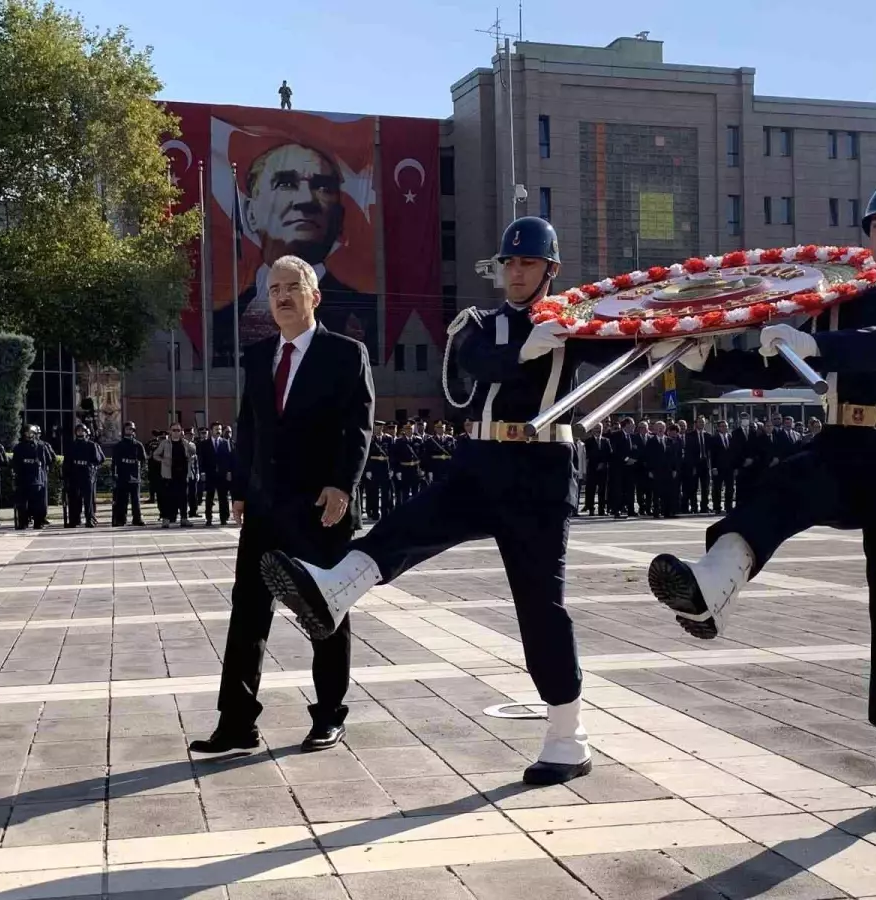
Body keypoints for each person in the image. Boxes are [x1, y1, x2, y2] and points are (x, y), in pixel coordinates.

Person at [260, 217, 665, 786]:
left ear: (550, 270)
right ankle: (334, 589)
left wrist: (675, 335)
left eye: (527, 264)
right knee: (406, 524)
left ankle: (567, 736)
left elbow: (636, 346)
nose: (516, 273)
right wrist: (527, 346)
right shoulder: (478, 323)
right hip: (479, 463)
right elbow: (474, 368)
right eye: (509, 263)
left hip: (541, 474)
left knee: (540, 607)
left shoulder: (575, 323)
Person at [646, 178, 876, 826]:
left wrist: (819, 344)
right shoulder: (839, 302)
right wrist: (706, 358)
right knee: (783, 484)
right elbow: (775, 366)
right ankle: (713, 585)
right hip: (845, 443)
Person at [189, 253, 373, 756]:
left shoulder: (346, 353)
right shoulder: (259, 355)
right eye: (273, 290)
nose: (283, 296)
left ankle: (329, 715)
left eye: (292, 287)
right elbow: (249, 426)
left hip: (320, 508)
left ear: (315, 296)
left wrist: (341, 485)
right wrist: (241, 490)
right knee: (248, 612)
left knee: (325, 611)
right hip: (265, 507)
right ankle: (237, 723)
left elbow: (357, 427)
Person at [214, 141, 378, 362]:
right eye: (285, 183)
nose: (306, 200)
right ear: (250, 214)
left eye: (323, 187)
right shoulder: (223, 318)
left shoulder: (365, 316)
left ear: (339, 219)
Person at [152, 423, 197, 527]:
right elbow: (155, 455)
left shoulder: (185, 443)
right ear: (170, 431)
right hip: (169, 475)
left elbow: (194, 453)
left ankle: (184, 518)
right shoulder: (165, 443)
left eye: (178, 430)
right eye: (174, 430)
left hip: (183, 474)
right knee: (168, 498)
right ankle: (166, 519)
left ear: (181, 431)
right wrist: (163, 460)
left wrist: (191, 457)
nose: (176, 432)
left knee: (183, 498)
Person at [64, 423, 105, 527]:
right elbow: (67, 462)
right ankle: (74, 520)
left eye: (82, 431)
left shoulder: (92, 445)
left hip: (87, 475)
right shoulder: (71, 445)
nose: (80, 433)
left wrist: (92, 467)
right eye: (78, 431)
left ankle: (89, 519)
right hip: (74, 475)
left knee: (88, 500)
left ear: (87, 433)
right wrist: (65, 476)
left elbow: (100, 459)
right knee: (74, 499)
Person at [12, 425, 51, 530]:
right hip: (23, 479)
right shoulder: (18, 447)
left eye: (31, 433)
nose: (29, 435)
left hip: (36, 479)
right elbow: (15, 463)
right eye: (27, 433)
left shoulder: (41, 446)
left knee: (38, 504)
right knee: (22, 504)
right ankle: (23, 522)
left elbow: (49, 460)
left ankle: (38, 522)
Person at [112, 421, 147, 526]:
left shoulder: (138, 445)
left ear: (134, 431)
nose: (129, 431)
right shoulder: (119, 445)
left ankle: (137, 518)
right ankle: (121, 520)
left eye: (131, 429)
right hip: (122, 473)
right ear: (124, 430)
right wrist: (114, 473)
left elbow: (144, 459)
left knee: (135, 499)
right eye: (127, 429)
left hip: (134, 473)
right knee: (122, 499)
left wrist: (141, 471)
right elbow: (114, 461)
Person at [199, 422, 234, 526]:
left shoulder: (225, 442)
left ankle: (224, 518)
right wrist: (202, 472)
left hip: (222, 474)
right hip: (210, 474)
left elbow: (229, 458)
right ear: (211, 430)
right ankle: (208, 518)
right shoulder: (205, 444)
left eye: (219, 429)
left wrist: (229, 471)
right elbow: (201, 459)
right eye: (216, 429)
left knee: (223, 497)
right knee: (209, 497)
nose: (218, 431)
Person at [582, 423, 610, 516]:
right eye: (596, 428)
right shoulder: (588, 441)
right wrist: (595, 465)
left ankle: (602, 509)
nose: (598, 430)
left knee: (602, 490)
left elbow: (609, 454)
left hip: (603, 469)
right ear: (592, 430)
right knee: (591, 490)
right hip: (592, 469)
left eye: (600, 428)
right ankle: (591, 508)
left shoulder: (606, 441)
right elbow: (587, 455)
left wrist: (603, 463)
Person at [709, 418, 735, 514]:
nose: (725, 428)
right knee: (717, 488)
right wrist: (713, 467)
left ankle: (728, 506)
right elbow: (712, 455)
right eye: (722, 426)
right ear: (718, 428)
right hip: (718, 467)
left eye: (726, 426)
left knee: (730, 488)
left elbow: (733, 453)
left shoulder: (730, 437)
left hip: (729, 468)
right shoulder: (714, 439)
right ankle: (717, 507)